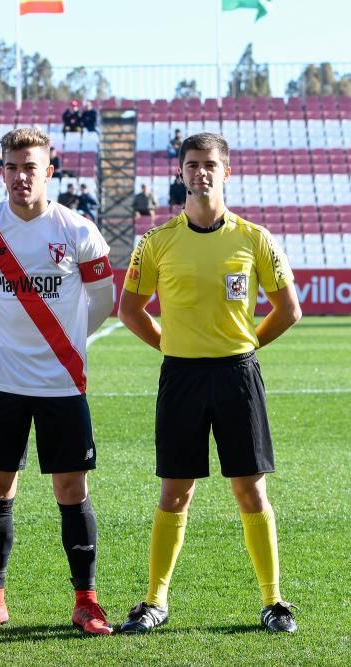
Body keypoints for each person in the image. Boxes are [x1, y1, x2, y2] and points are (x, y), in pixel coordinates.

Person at [118, 132, 302, 635]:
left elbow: (289, 310)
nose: (201, 172)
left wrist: (247, 345)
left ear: (226, 172)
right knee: (175, 492)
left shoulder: (254, 238)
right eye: (192, 164)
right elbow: (130, 311)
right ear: (180, 174)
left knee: (250, 489)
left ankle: (273, 601)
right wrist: (171, 346)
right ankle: (155, 601)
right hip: (181, 377)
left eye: (210, 164)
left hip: (238, 375)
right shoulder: (156, 243)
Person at [0, 126, 115, 635]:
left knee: (71, 487)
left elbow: (102, 302)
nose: (21, 176)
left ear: (49, 171)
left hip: (62, 383)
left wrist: (65, 341)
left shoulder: (79, 230)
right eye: (12, 166)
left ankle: (86, 601)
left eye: (31, 167)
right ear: (1, 171)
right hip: (2, 383)